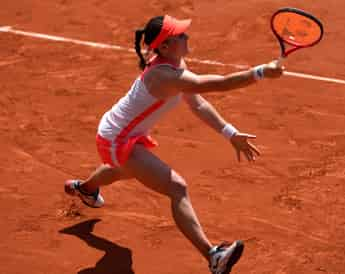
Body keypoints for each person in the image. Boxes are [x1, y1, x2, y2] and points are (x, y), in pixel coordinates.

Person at [64, 14, 284, 274]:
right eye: (180, 35)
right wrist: (259, 72)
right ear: (165, 46)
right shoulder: (165, 76)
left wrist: (230, 133)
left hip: (118, 132)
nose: (186, 36)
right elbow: (220, 84)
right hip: (116, 138)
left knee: (125, 170)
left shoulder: (176, 64)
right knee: (176, 187)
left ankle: (86, 189)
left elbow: (198, 102)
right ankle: (213, 256)